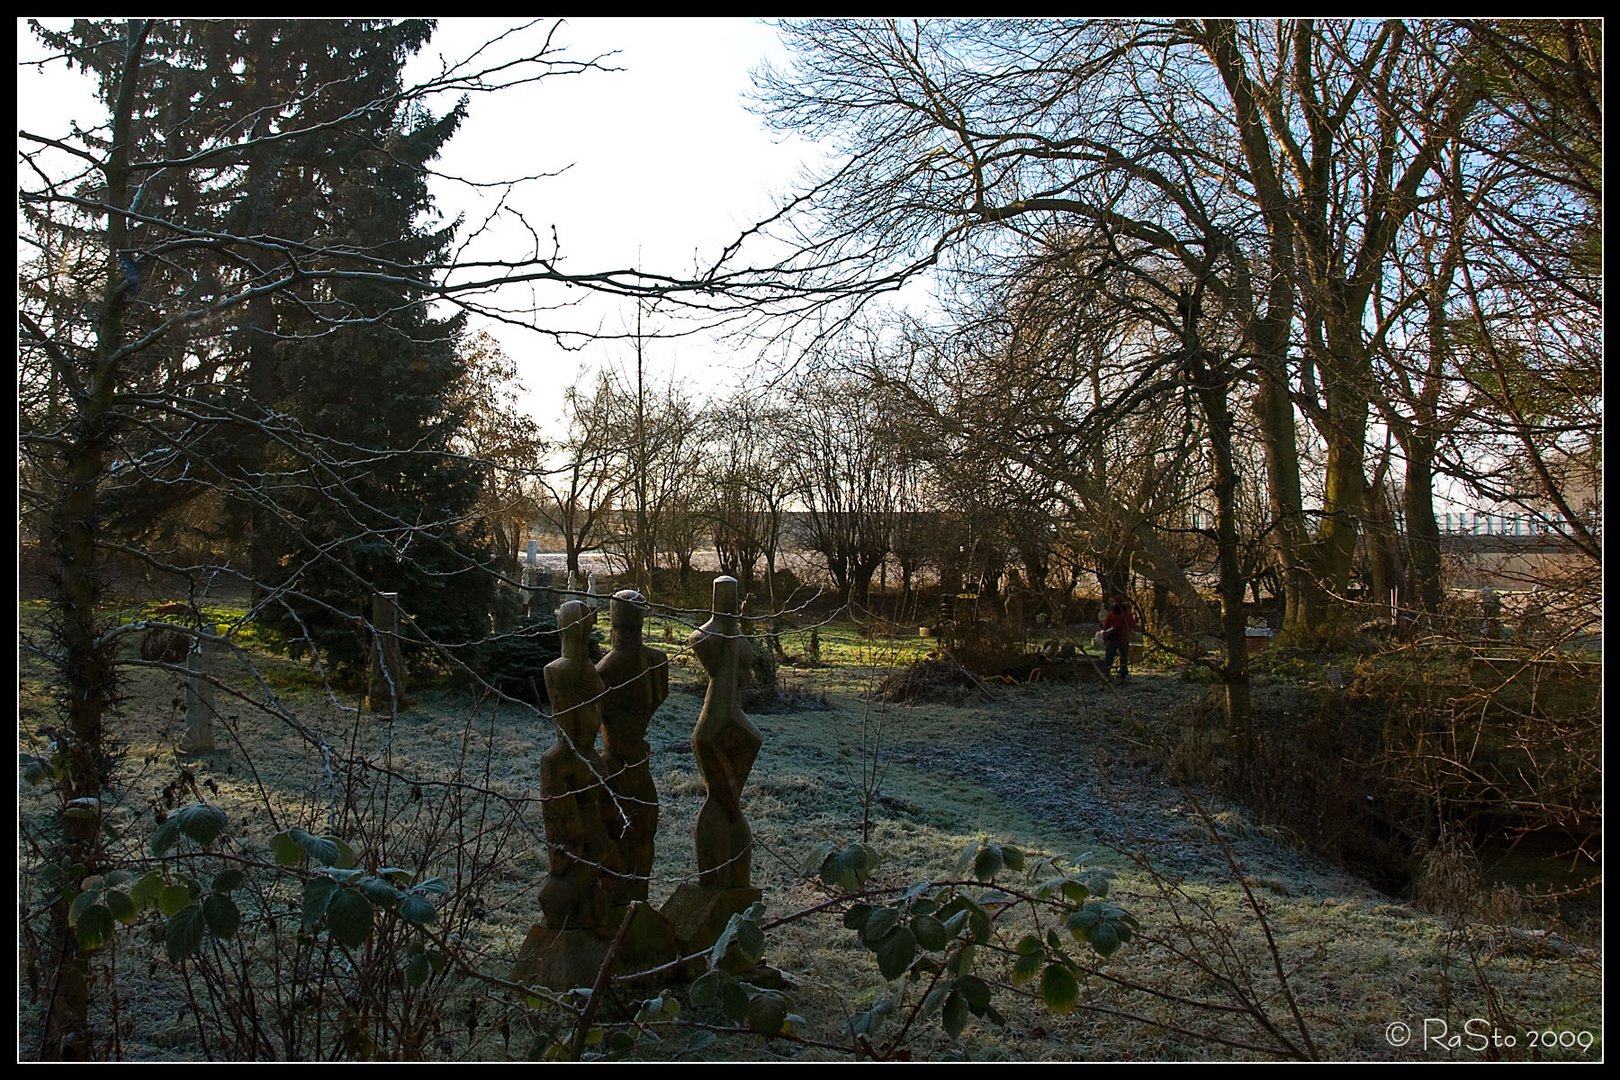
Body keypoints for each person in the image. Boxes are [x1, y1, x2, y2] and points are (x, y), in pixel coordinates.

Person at [1101, 601, 1135, 681]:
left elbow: (1106, 627)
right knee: (1123, 656)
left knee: (1109, 657)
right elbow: (1131, 626)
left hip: (1112, 638)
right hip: (1124, 638)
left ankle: (1106, 673)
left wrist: (1105, 638)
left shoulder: (1111, 615)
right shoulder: (1127, 615)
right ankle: (1123, 673)